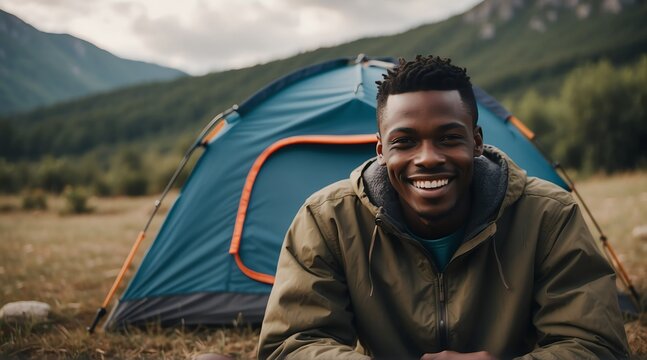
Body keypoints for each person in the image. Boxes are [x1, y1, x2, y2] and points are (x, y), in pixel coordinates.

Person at [257, 55, 629, 359]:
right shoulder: (328, 220)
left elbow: (596, 345)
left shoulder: (549, 215)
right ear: (382, 151)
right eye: (405, 142)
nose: (428, 158)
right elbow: (292, 345)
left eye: (449, 138)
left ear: (477, 141)